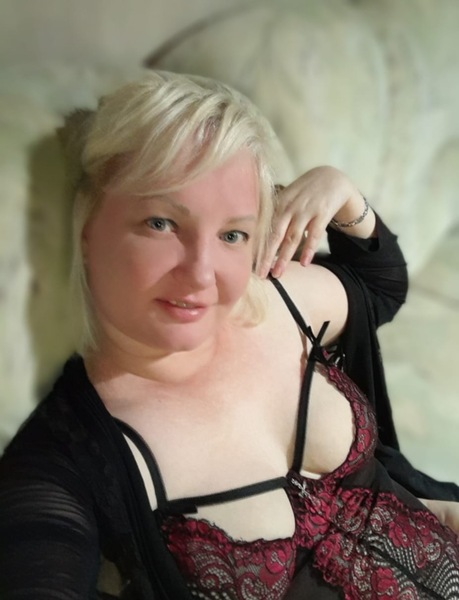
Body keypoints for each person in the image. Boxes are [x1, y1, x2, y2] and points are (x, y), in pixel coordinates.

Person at [0, 70, 458, 600]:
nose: (201, 273)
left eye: (232, 233)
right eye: (161, 223)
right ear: (87, 230)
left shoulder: (277, 298)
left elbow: (380, 285)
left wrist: (343, 194)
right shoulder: (68, 453)